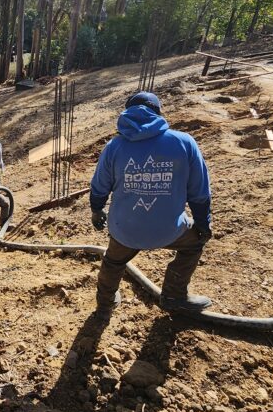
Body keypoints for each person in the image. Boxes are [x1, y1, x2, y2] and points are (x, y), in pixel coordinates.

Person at [89, 91, 212, 315]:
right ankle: (174, 296)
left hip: (124, 231)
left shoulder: (114, 147)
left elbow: (99, 188)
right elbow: (199, 193)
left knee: (113, 262)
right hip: (170, 230)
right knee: (194, 244)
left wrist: (97, 211)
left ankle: (104, 304)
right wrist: (204, 224)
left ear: (126, 113)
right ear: (158, 113)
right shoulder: (184, 143)